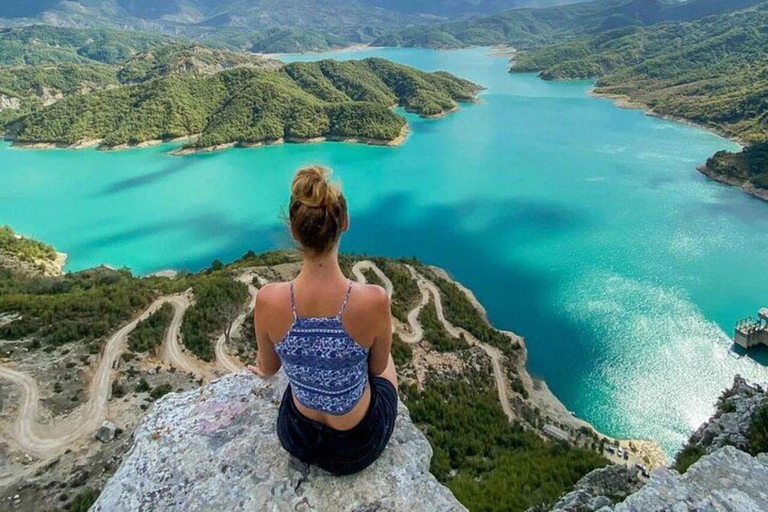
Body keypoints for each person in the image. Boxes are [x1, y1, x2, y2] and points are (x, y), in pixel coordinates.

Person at [247, 166, 398, 476]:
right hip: (357, 447)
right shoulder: (373, 300)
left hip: (298, 436)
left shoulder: (268, 299)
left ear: (293, 230)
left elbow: (270, 367)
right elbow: (377, 368)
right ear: (344, 223)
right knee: (386, 361)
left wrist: (262, 369)